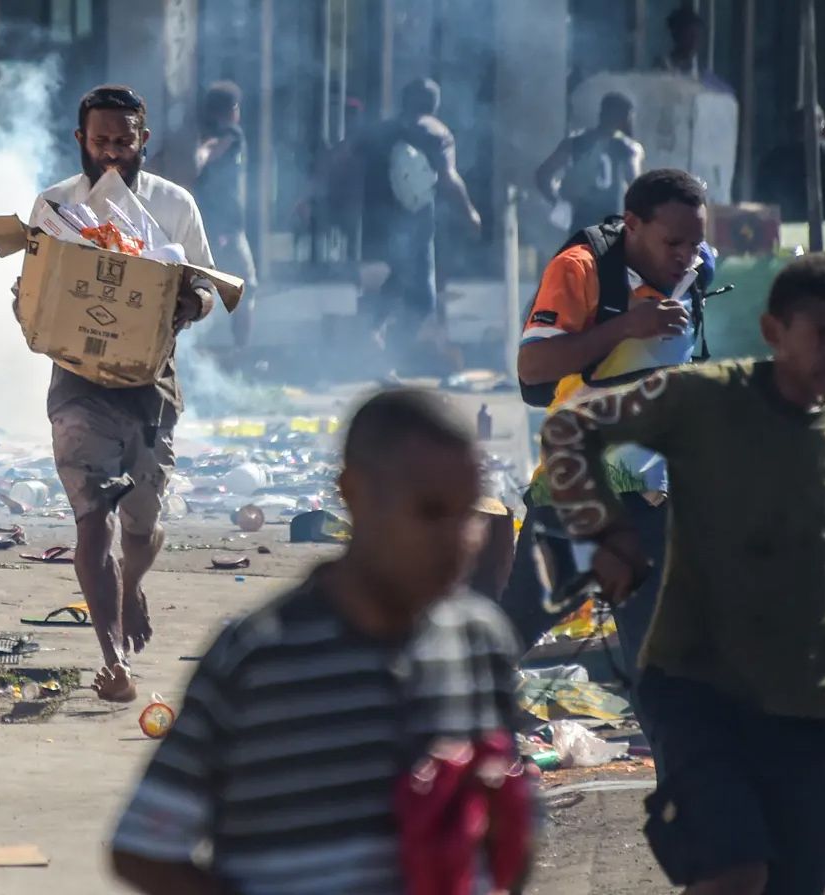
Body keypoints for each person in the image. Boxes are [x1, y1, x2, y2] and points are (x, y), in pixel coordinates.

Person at [539, 255, 825, 895]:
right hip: (699, 685)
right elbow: (570, 429)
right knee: (734, 867)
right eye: (822, 337)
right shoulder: (704, 396)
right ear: (775, 331)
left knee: (801, 866)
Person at [110, 389, 527, 895]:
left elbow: (510, 835)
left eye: (469, 516)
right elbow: (143, 848)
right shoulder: (260, 658)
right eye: (431, 512)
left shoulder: (480, 644)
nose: (457, 541)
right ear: (356, 494)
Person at [32, 84, 217, 702]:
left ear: (144, 140)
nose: (112, 155)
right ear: (80, 139)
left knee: (142, 527)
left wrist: (181, 302)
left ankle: (130, 584)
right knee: (93, 521)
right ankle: (112, 659)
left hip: (150, 386)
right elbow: (35, 292)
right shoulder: (55, 205)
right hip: (78, 384)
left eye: (124, 142)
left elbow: (207, 290)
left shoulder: (175, 204)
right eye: (100, 141)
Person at [501, 168, 710, 694]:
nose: (686, 255)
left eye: (696, 242)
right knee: (510, 631)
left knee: (657, 663)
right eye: (673, 242)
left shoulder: (699, 268)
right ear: (633, 224)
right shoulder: (580, 269)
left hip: (653, 495)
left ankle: (686, 772)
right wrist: (625, 326)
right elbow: (533, 366)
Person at [369, 78, 480, 373]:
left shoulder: (385, 131)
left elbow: (347, 156)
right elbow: (448, 176)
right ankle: (386, 357)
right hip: (415, 218)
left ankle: (373, 330)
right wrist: (469, 212)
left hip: (380, 217)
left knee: (399, 276)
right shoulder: (436, 132)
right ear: (434, 104)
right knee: (423, 299)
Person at [192, 81, 257, 350]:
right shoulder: (229, 133)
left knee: (231, 288)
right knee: (245, 287)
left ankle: (234, 350)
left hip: (223, 226)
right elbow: (203, 158)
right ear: (232, 109)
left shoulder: (226, 135)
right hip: (222, 228)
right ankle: (240, 352)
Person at [536, 93, 643, 232]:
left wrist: (558, 202)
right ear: (623, 118)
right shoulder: (627, 148)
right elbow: (638, 189)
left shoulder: (575, 142)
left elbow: (543, 174)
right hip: (612, 227)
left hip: (580, 225)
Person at [654, 6, 734, 94]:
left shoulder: (701, 73)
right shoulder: (662, 68)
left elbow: (726, 92)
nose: (695, 42)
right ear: (677, 35)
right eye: (690, 35)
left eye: (698, 36)